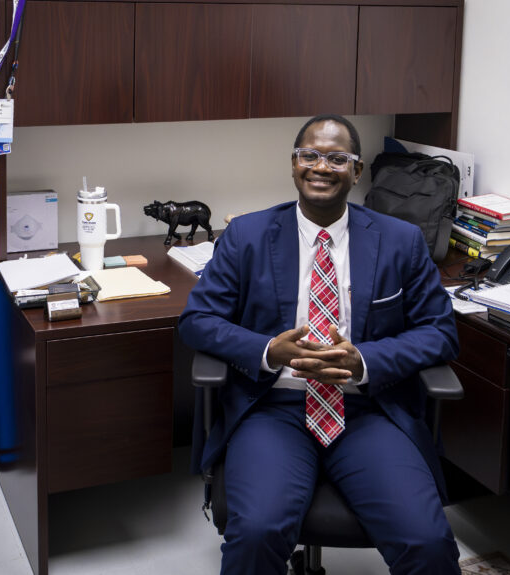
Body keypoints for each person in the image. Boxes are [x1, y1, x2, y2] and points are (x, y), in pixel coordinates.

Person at [179, 114, 460, 575]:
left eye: (337, 158)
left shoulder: (401, 241)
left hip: (367, 411)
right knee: (256, 533)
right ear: (293, 165)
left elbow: (440, 331)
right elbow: (198, 321)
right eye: (308, 155)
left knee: (427, 542)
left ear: (357, 170)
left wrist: (364, 361)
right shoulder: (246, 236)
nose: (321, 167)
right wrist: (269, 350)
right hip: (274, 407)